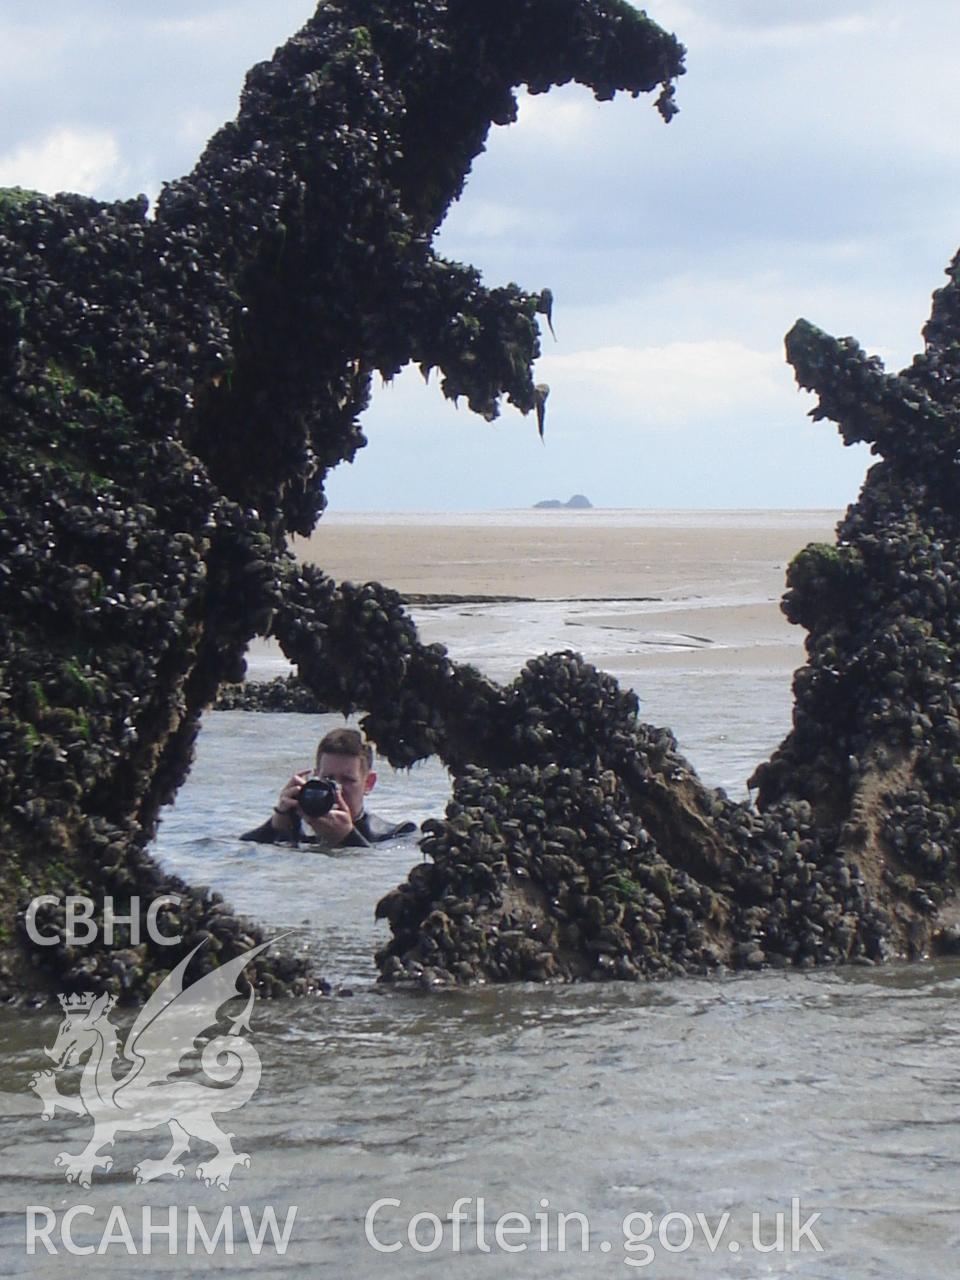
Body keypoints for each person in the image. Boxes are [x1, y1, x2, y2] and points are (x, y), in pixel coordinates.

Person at [239, 727, 416, 848]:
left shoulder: (398, 833)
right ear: (315, 778)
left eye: (347, 780)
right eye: (328, 779)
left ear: (368, 783)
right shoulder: (295, 831)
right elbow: (243, 849)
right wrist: (276, 824)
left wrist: (346, 837)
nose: (338, 789)